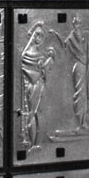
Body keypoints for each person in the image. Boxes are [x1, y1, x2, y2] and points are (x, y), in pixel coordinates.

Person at [20, 21, 55, 150]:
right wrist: (41, 69)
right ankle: (32, 142)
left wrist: (50, 60)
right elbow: (28, 72)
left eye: (41, 36)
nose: (39, 38)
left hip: (40, 85)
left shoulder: (41, 54)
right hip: (32, 85)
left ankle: (38, 142)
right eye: (37, 35)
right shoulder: (26, 55)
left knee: (39, 112)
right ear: (33, 36)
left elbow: (44, 71)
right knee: (32, 112)